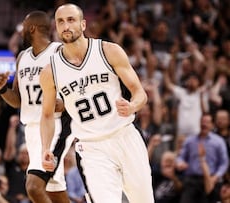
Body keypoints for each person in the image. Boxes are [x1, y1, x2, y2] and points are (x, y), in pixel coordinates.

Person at [39, 3, 154, 203]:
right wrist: (45, 149)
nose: (66, 26)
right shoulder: (50, 72)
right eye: (60, 22)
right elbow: (47, 114)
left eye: (71, 20)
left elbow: (140, 93)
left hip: (125, 136)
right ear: (55, 28)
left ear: (83, 24)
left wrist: (132, 106)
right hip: (91, 148)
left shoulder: (108, 51)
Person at [0, 10, 73, 203]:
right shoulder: (22, 57)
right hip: (30, 128)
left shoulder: (60, 52)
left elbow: (79, 90)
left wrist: (65, 104)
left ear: (32, 29)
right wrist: (2, 89)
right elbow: (18, 100)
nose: (21, 32)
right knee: (55, 190)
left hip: (55, 127)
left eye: (23, 27)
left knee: (34, 187)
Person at [176, 113, 229, 203]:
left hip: (211, 180)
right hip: (191, 180)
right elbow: (180, 157)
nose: (204, 124)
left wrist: (216, 177)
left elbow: (224, 163)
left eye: (207, 122)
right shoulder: (190, 140)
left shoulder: (219, 141)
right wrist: (180, 163)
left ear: (212, 125)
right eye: (202, 121)